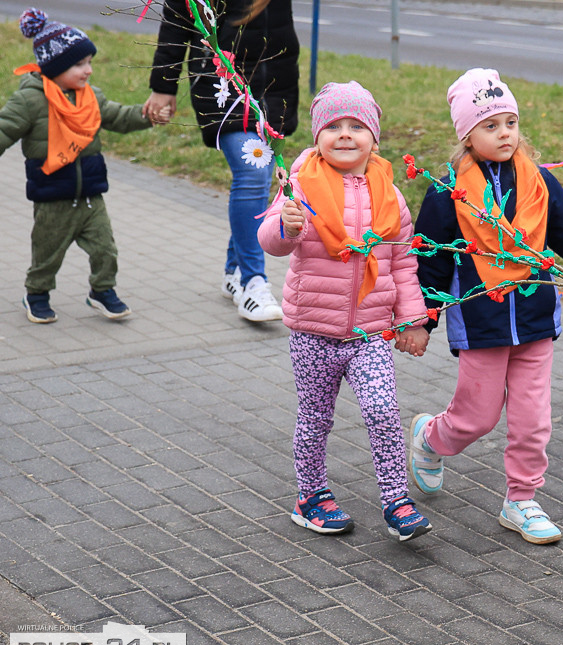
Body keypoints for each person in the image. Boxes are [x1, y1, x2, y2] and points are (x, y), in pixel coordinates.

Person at [408, 67, 563, 544]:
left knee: (533, 419)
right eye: (490, 125)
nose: (504, 133)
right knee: (475, 419)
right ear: (467, 135)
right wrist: (422, 320)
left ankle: (521, 499)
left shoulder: (540, 181)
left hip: (534, 319)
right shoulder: (448, 192)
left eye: (510, 122)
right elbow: (431, 261)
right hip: (481, 323)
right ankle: (430, 438)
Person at [257, 81, 432, 542]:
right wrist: (287, 225)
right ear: (317, 136)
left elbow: (403, 261)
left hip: (371, 332)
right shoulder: (298, 186)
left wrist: (413, 320)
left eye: (357, 126)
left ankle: (396, 499)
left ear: (374, 137)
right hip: (313, 330)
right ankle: (311, 496)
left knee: (382, 411)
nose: (345, 134)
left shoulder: (390, 196)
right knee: (315, 415)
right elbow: (272, 243)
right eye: (333, 126)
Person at [1, 8, 163, 324]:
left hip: (90, 194)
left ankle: (102, 291)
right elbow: (4, 129)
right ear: (54, 66)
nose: (88, 70)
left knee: (106, 250)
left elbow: (119, 117)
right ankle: (36, 295)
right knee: (46, 255)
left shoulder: (92, 97)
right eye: (79, 64)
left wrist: (147, 115)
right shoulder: (30, 100)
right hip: (52, 196)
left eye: (89, 62)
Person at [145, 0, 299, 322]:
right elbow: (177, 20)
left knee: (260, 179)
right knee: (254, 171)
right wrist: (163, 85)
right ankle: (253, 282)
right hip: (222, 85)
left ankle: (234, 271)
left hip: (275, 86)